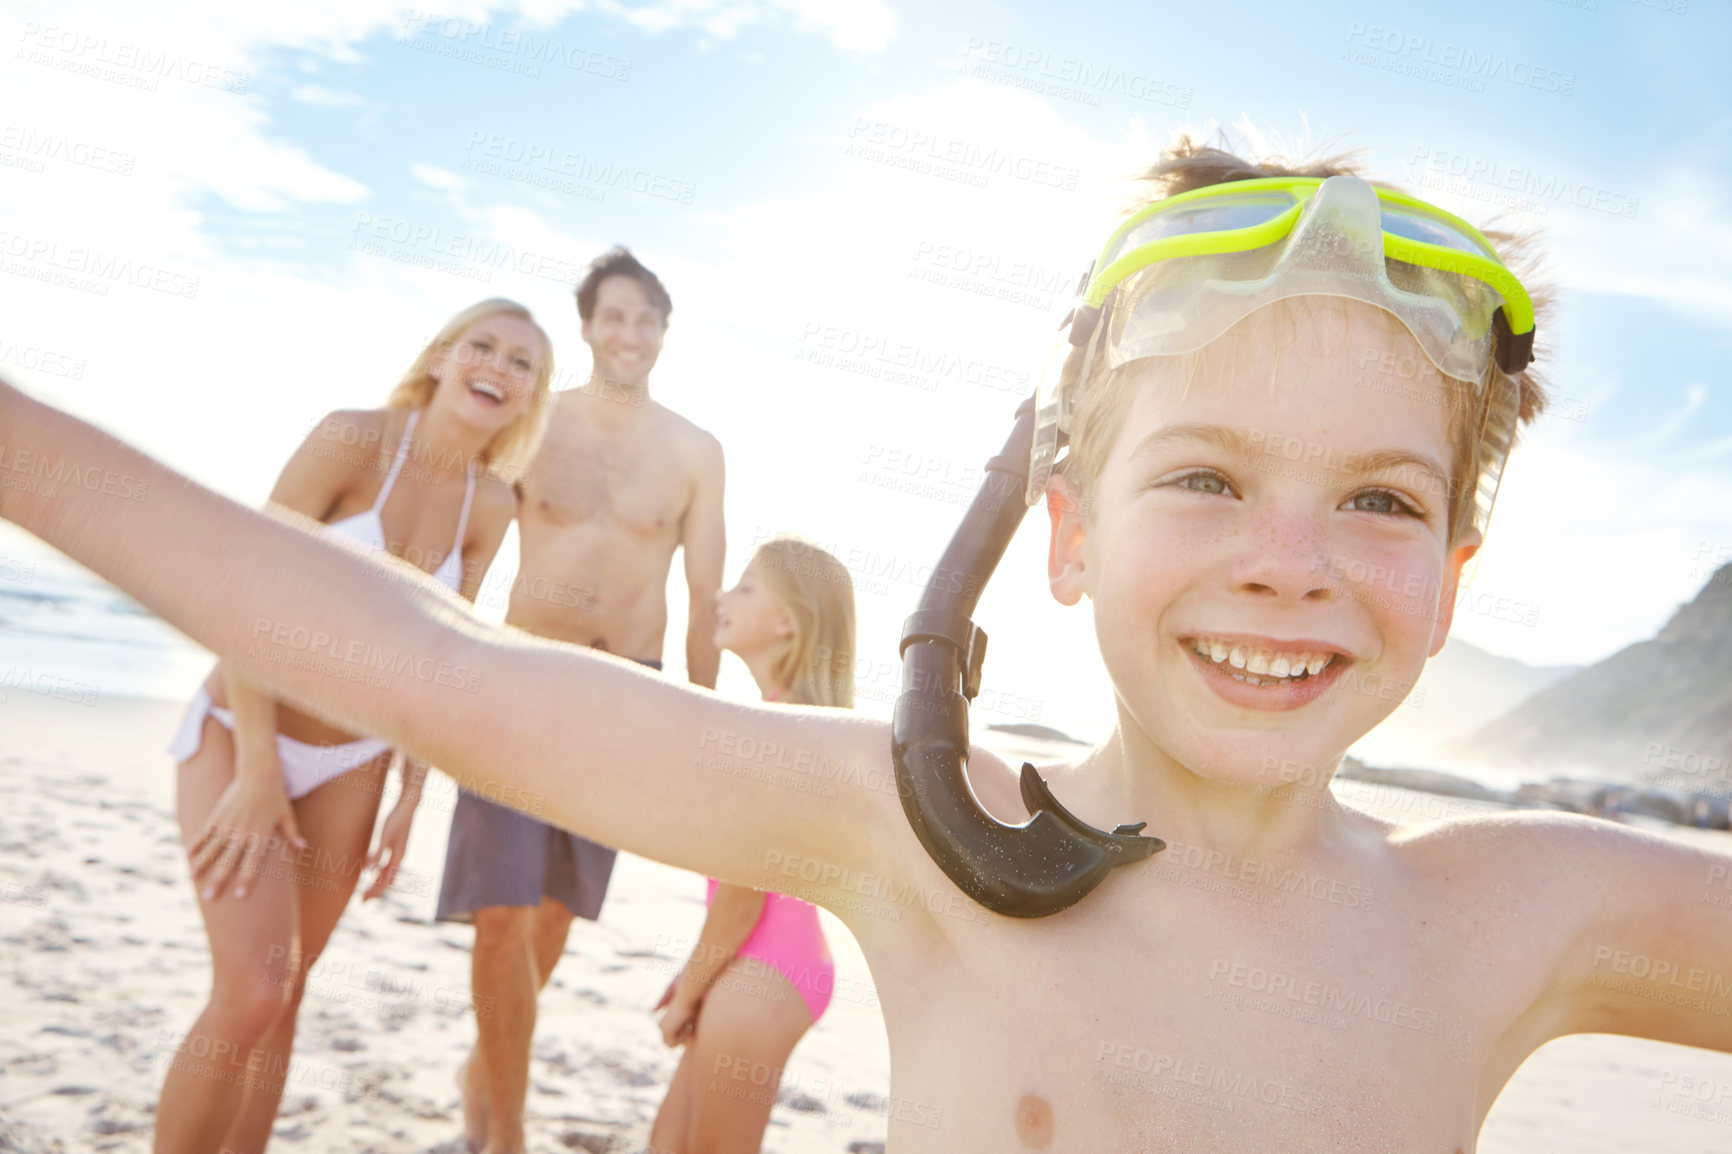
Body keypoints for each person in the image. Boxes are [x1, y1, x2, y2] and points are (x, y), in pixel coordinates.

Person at [12, 139, 1732, 1151]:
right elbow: (437, 664)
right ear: (1057, 532)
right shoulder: (919, 830)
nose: (1288, 565)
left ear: (1454, 562)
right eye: (1204, 475)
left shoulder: (1518, 907)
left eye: (1374, 499)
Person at [152, 299, 552, 1154]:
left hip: (358, 758)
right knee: (252, 991)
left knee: (288, 995)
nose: (499, 366)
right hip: (241, 728)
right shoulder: (351, 440)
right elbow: (243, 590)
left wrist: (410, 794)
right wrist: (259, 769)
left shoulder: (493, 504)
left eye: (523, 362)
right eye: (483, 345)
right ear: (442, 358)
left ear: (531, 397)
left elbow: (437, 656)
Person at [435, 247, 726, 1154]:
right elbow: (469, 543)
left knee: (555, 912)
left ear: (663, 333)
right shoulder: (537, 425)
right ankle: (507, 1134)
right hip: (517, 678)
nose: (628, 334)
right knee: (500, 914)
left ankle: (486, 1072)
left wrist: (704, 732)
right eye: (613, 317)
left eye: (645, 319)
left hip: (624, 699)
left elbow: (706, 600)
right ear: (588, 326)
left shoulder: (695, 453)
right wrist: (442, 665)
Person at [649, 537, 852, 1153]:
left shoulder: (779, 733)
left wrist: (690, 990)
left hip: (763, 971)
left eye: (745, 587)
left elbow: (743, 896)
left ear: (788, 622)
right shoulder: (791, 722)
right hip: (753, 962)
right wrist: (697, 971)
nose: (721, 596)